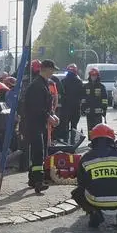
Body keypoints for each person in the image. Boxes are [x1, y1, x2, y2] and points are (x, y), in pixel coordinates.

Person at [71, 124, 117, 229]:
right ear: (112, 139)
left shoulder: (86, 157)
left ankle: (94, 213)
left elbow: (81, 182)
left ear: (93, 140)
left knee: (77, 192)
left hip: (94, 200)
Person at [24, 59, 60, 193]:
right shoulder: (37, 86)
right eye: (52, 69)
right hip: (34, 124)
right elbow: (36, 107)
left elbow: (46, 105)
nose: (53, 72)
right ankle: (38, 181)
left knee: (40, 152)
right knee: (38, 152)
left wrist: (52, 115)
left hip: (41, 124)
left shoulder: (44, 84)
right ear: (45, 69)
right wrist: (48, 116)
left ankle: (33, 179)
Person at [60, 63, 84, 144]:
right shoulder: (79, 82)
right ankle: (73, 142)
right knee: (74, 126)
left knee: (65, 126)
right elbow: (82, 95)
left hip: (65, 108)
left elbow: (60, 95)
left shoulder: (63, 81)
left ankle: (66, 142)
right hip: (75, 108)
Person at [81, 67, 108, 135]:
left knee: (98, 127)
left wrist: (104, 109)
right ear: (90, 76)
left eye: (95, 75)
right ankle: (91, 140)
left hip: (98, 112)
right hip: (89, 111)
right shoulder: (86, 86)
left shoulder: (101, 86)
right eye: (92, 75)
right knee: (90, 128)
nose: (93, 77)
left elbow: (104, 99)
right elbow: (83, 98)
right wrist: (83, 108)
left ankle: (97, 141)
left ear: (97, 76)